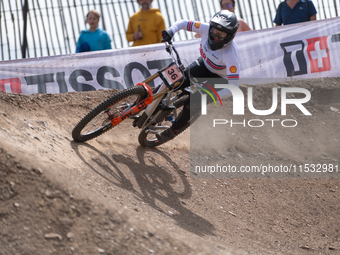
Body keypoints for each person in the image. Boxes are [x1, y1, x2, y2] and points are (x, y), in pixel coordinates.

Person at [156, 10, 240, 143]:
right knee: (175, 80)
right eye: (215, 31)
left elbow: (234, 87)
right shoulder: (206, 29)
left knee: (193, 102)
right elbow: (184, 23)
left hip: (220, 79)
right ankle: (152, 100)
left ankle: (173, 131)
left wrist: (210, 98)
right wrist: (171, 31)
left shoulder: (231, 55)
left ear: (230, 36)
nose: (216, 36)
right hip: (204, 65)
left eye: (222, 34)